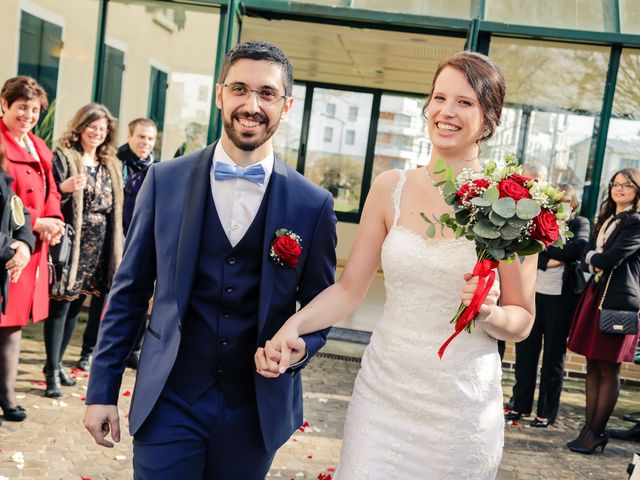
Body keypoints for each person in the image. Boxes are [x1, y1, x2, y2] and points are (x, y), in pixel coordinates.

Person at [256, 51, 537, 478]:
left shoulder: (513, 203)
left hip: (461, 404)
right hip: (383, 393)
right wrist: (292, 326)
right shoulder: (391, 188)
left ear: (490, 117)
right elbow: (349, 289)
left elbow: (522, 318)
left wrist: (491, 314)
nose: (446, 111)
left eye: (464, 102)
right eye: (439, 97)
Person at [83, 40, 337, 478]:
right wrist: (101, 389)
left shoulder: (312, 204)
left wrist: (297, 351)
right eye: (239, 88)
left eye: (267, 93)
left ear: (286, 105)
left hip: (254, 410)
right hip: (170, 400)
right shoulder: (165, 181)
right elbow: (129, 292)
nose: (251, 104)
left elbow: (321, 308)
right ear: (220, 94)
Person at [45, 103, 123, 398]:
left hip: (99, 246)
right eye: (92, 126)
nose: (97, 133)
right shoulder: (64, 158)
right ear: (80, 127)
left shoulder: (110, 163)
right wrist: (63, 189)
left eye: (102, 129)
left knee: (77, 305)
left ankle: (59, 363)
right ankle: (51, 370)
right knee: (60, 305)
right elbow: (48, 195)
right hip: (73, 243)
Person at [0, 76, 64, 422]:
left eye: (35, 109)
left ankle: (7, 395)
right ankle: (6, 396)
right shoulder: (0, 143)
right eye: (22, 106)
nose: (28, 114)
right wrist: (36, 222)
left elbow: (51, 190)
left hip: (33, 247)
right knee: (3, 319)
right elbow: (5, 200)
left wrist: (52, 220)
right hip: (6, 243)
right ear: (5, 105)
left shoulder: (38, 146)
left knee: (13, 323)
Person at [565, 168, 640, 454]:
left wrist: (591, 258)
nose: (619, 189)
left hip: (617, 302)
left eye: (627, 185)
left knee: (609, 368)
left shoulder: (635, 222)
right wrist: (592, 258)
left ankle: (597, 431)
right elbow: (592, 258)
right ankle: (588, 428)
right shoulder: (609, 218)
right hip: (596, 295)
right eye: (616, 184)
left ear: (637, 191)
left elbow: (609, 259)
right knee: (593, 365)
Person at [76, 117, 157, 372]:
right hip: (115, 241)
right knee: (104, 299)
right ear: (130, 137)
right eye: (141, 137)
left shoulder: (158, 169)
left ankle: (134, 350)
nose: (145, 142)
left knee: (143, 299)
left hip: (144, 243)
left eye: (150, 138)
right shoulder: (115, 165)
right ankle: (89, 350)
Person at [505, 184, 590, 427]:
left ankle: (546, 412)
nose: (562, 206)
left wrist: (545, 253)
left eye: (567, 202)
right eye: (558, 202)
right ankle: (519, 406)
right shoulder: (541, 221)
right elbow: (527, 246)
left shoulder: (579, 223)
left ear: (573, 204)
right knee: (526, 353)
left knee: (553, 356)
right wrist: (548, 259)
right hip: (534, 296)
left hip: (560, 300)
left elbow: (578, 248)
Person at [0, 136, 36, 426]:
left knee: (11, 330)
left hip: (4, 265)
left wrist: (24, 246)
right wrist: (10, 248)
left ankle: (6, 395)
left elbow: (20, 214)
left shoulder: (4, 178)